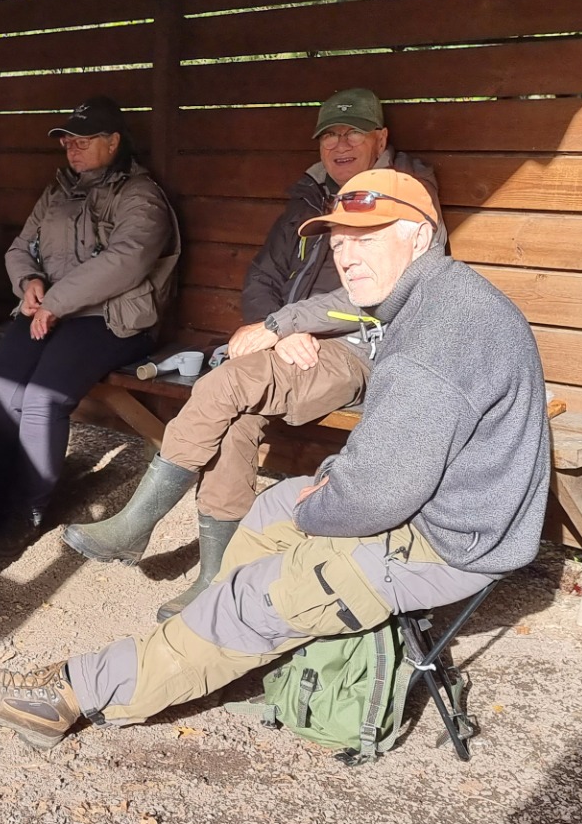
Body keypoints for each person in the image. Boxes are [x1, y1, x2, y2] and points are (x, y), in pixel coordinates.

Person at [0, 165, 550, 748]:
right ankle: (224, 644)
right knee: (270, 511)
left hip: (445, 542)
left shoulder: (437, 339)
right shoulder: (437, 296)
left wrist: (325, 503)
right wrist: (326, 487)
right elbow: (389, 464)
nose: (347, 255)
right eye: (340, 241)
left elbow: (377, 493)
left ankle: (69, 696)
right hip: (431, 506)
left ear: (419, 237)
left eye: (366, 239)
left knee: (255, 596)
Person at [63, 88, 438, 617]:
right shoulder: (310, 198)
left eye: (353, 133)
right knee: (235, 419)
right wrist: (277, 330)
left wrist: (286, 323)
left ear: (381, 139)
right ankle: (217, 578)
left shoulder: (404, 197)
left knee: (224, 384)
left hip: (357, 349)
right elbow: (262, 274)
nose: (340, 144)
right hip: (290, 346)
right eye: (329, 135)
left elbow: (383, 289)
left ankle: (134, 525)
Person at [0, 97, 180, 556]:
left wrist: (56, 303)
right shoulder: (59, 191)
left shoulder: (140, 196)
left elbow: (126, 262)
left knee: (43, 398)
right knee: (2, 384)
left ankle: (25, 513)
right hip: (53, 311)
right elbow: (20, 247)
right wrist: (29, 282)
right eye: (67, 141)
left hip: (115, 317)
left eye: (83, 140)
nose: (72, 149)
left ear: (113, 142)